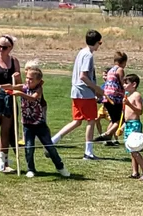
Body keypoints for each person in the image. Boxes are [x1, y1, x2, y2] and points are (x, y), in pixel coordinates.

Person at [0, 67, 70, 178]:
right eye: (27, 78)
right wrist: (1, 87)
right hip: (27, 125)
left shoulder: (38, 89)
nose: (28, 81)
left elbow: (33, 98)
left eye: (31, 79)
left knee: (49, 147)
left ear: (38, 81)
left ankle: (60, 166)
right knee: (29, 148)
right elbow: (11, 86)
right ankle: (31, 169)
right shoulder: (23, 87)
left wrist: (20, 94)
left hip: (40, 125)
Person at [49, 30, 104, 160]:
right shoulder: (88, 55)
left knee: (77, 121)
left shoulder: (81, 52)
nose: (99, 46)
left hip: (77, 92)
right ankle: (88, 152)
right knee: (91, 120)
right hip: (84, 93)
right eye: (100, 43)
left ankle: (52, 141)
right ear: (96, 42)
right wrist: (97, 89)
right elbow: (83, 76)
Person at [0, 34, 21, 172]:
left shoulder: (14, 61)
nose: (0, 49)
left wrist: (14, 81)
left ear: (10, 48)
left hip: (8, 100)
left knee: (5, 132)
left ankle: (3, 164)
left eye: (4, 47)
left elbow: (20, 85)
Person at [120, 74, 143, 180]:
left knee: (134, 149)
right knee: (131, 149)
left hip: (134, 124)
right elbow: (126, 115)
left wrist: (129, 104)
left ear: (134, 84)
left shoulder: (136, 95)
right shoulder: (127, 96)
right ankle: (135, 172)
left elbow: (140, 111)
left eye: (126, 83)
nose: (124, 85)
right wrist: (122, 126)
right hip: (128, 124)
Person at [95, 51, 127, 146]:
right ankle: (107, 134)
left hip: (107, 97)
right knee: (120, 120)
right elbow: (122, 83)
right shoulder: (120, 70)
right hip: (115, 98)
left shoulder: (110, 70)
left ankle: (108, 138)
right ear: (124, 62)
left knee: (113, 120)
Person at [95, 66, 111, 137]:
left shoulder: (112, 86)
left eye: (106, 75)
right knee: (96, 119)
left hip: (110, 108)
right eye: (103, 75)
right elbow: (100, 98)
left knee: (113, 122)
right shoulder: (102, 86)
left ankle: (113, 138)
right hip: (103, 107)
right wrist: (97, 99)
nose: (104, 77)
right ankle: (101, 135)